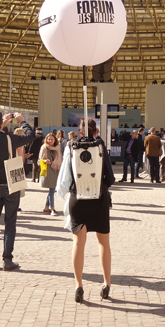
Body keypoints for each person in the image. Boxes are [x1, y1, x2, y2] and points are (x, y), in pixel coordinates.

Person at [57, 118, 115, 303]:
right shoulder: (100, 146)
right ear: (96, 131)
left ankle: (79, 285)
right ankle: (106, 284)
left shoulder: (70, 146)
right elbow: (111, 178)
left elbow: (65, 178)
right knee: (103, 242)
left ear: (80, 132)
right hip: (99, 198)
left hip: (78, 198)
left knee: (78, 243)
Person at [0, 111, 34, 271]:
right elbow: (31, 136)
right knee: (10, 223)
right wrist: (22, 121)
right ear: (1, 125)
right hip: (10, 183)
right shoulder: (10, 139)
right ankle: (7, 260)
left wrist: (1, 122)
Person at [39, 132, 62, 215]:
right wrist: (44, 161)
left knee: (52, 190)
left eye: (52, 139)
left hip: (56, 170)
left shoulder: (58, 148)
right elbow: (39, 160)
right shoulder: (44, 148)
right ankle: (52, 209)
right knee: (52, 190)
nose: (50, 141)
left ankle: (46, 208)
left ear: (54, 140)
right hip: (48, 171)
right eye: (48, 139)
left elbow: (61, 159)